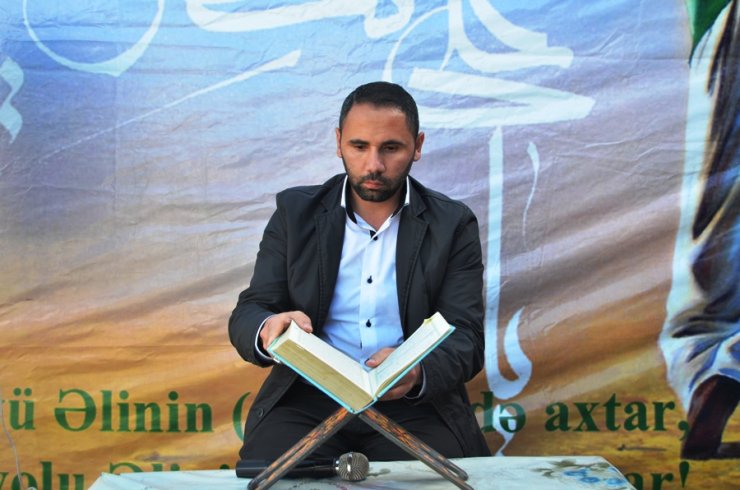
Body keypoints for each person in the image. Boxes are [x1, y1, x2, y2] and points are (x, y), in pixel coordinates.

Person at [229, 81, 491, 461]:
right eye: (359, 146)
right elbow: (250, 311)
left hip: (414, 402)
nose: (374, 165)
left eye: (391, 148)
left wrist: (417, 372)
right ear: (338, 142)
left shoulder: (452, 224)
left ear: (417, 146)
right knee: (267, 473)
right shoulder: (294, 214)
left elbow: (466, 337)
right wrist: (268, 327)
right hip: (307, 396)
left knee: (427, 481)